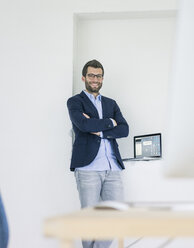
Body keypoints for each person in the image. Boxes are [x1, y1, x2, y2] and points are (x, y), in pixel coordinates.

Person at [67, 59, 129, 248]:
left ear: (102, 78)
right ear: (84, 77)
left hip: (113, 167)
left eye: (99, 76)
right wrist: (111, 122)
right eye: (91, 75)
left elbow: (124, 130)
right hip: (88, 167)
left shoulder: (111, 103)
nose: (95, 79)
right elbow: (83, 125)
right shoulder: (75, 102)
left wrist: (98, 126)